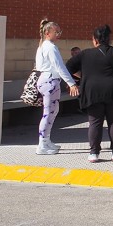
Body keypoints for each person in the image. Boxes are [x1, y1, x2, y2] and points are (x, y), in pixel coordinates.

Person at [66, 24, 113, 163]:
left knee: (95, 122)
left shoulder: (85, 54)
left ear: (95, 40)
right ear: (108, 39)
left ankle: (94, 153)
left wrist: (83, 76)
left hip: (93, 92)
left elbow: (68, 66)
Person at [34, 19, 79, 155]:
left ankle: (46, 140)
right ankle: (42, 144)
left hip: (47, 80)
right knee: (48, 113)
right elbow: (59, 66)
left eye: (60, 31)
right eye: (56, 31)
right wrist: (71, 83)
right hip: (50, 81)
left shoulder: (43, 45)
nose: (59, 34)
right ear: (48, 33)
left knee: (52, 111)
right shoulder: (50, 47)